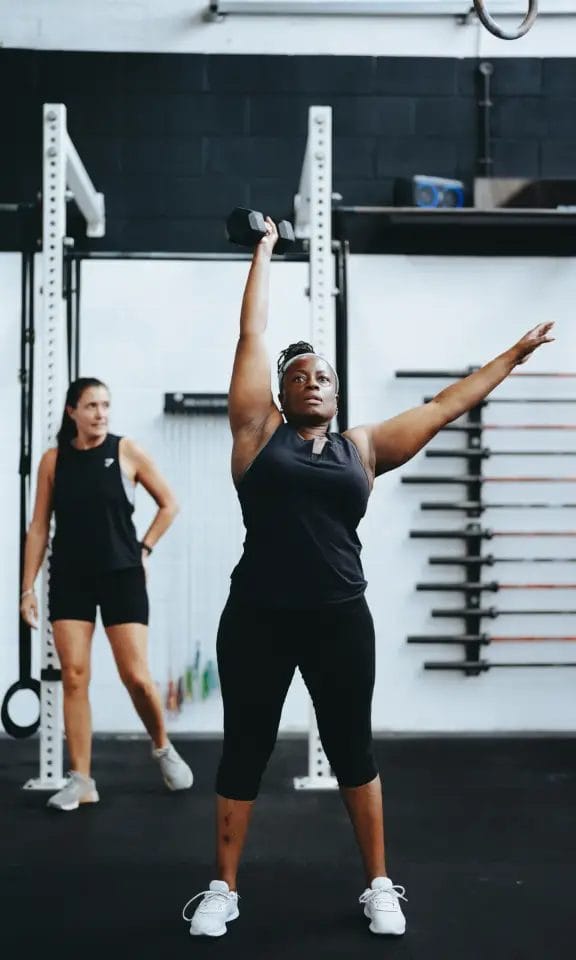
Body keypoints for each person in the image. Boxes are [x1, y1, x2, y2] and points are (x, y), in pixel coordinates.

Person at [181, 218, 554, 937]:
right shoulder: (256, 435)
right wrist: (266, 249)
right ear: (280, 394)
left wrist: (513, 354)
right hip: (257, 617)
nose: (311, 381)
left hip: (339, 619)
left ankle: (380, 885)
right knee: (245, 749)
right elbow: (251, 335)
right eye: (298, 377)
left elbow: (445, 405)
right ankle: (222, 888)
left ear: (337, 392)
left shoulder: (364, 449)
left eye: (321, 376)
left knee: (353, 749)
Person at [20, 377, 193, 811]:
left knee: (136, 676)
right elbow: (39, 527)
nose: (101, 413)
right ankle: (82, 780)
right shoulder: (53, 461)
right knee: (75, 675)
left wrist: (145, 548)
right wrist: (27, 588)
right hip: (71, 578)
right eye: (92, 406)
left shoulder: (126, 451)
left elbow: (169, 503)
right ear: (72, 412)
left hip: (122, 575)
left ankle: (161, 745)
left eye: (105, 405)